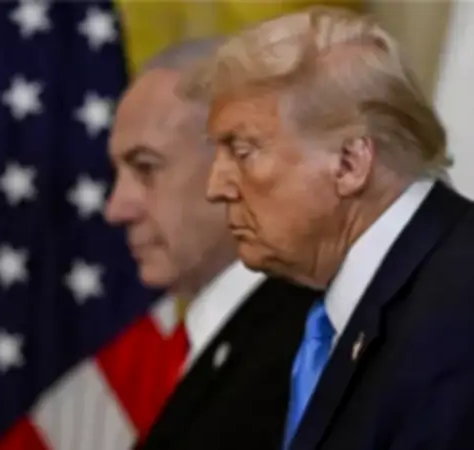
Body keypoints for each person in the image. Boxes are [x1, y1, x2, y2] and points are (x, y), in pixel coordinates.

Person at [181, 7, 474, 450]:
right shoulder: (407, 289)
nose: (216, 186)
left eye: (242, 151)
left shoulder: (466, 323)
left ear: (350, 163)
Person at [104, 37, 317, 450]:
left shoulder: (308, 354)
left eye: (145, 168)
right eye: (117, 174)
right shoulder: (242, 346)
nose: (117, 208)